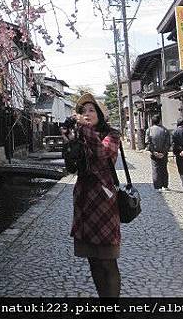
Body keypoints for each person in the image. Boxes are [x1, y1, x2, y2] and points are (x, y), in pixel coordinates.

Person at [66, 93, 121, 298]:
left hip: (103, 203)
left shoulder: (111, 135)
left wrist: (85, 129)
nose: (87, 114)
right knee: (93, 260)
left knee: (108, 261)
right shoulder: (81, 135)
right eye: (83, 111)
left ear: (99, 113)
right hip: (84, 202)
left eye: (91, 110)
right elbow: (71, 168)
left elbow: (102, 155)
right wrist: (69, 143)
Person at [145, 116, 171, 191]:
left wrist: (153, 152)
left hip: (154, 154)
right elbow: (168, 143)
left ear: (152, 121)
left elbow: (147, 142)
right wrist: (163, 152)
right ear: (160, 121)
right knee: (164, 169)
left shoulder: (149, 130)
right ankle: (165, 185)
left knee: (156, 169)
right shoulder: (165, 130)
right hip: (164, 154)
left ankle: (157, 186)